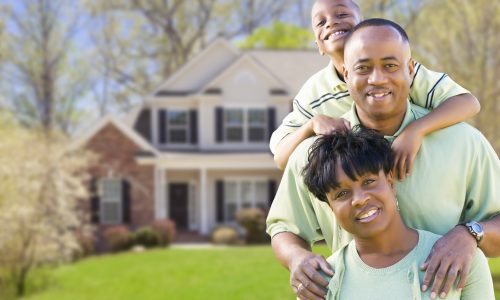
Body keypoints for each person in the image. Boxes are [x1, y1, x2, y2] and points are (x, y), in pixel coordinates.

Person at [266, 18, 500, 300]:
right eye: (363, 68)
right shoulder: (313, 155)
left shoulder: (463, 142)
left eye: (390, 66)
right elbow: (284, 227)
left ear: (410, 69)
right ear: (345, 72)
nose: (377, 79)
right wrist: (296, 259)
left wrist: (470, 234)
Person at [271, 0, 480, 181]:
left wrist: (416, 130)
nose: (331, 22)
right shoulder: (314, 93)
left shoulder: (401, 71)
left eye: (342, 14)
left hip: (418, 170)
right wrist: (311, 125)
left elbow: (468, 103)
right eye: (321, 22)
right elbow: (281, 157)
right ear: (318, 45)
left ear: (363, 26)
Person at [301, 128, 494, 300]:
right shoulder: (320, 282)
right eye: (342, 194)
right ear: (331, 208)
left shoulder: (460, 259)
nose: (359, 199)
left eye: (368, 182)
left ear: (391, 183)